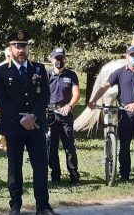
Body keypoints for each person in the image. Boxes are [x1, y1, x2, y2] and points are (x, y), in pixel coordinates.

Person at [0, 30, 58, 215]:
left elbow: (45, 95)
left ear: (28, 47)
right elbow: (1, 100)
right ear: (10, 48)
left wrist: (33, 117)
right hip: (13, 127)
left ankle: (43, 206)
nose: (21, 49)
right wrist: (22, 119)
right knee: (15, 168)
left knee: (40, 166)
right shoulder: (1, 71)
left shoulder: (39, 69)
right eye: (17, 46)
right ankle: (15, 205)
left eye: (24, 46)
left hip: (36, 126)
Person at [87, 46, 134, 182]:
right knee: (124, 146)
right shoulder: (119, 72)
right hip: (125, 114)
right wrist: (93, 100)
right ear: (126, 56)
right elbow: (105, 86)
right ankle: (124, 175)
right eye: (132, 55)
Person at [47, 47, 80, 186]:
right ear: (51, 59)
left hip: (65, 114)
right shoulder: (46, 75)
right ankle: (55, 176)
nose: (59, 61)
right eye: (56, 58)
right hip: (50, 115)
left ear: (65, 59)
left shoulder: (71, 75)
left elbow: (76, 94)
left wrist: (69, 106)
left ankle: (74, 177)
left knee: (69, 147)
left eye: (61, 58)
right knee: (51, 147)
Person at [0, 47, 11, 151]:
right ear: (5, 56)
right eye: (8, 56)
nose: (10, 57)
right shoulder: (0, 68)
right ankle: (1, 143)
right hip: (3, 100)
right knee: (2, 121)